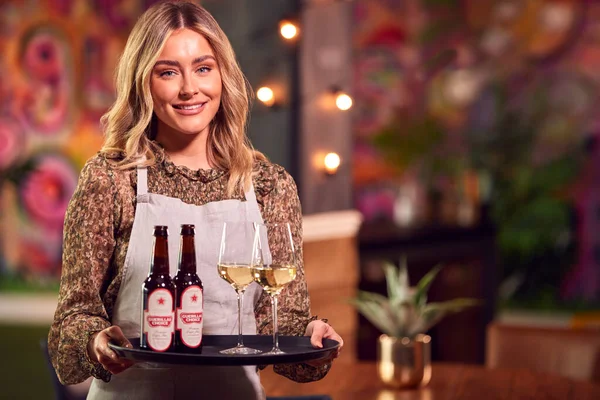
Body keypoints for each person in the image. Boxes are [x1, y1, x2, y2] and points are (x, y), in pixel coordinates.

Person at [48, 1, 343, 399]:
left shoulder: (270, 186)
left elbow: (282, 324)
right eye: (168, 72)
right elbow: (72, 319)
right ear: (144, 82)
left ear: (223, 75)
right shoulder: (110, 180)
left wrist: (311, 336)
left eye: (203, 68)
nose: (190, 88)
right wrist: (96, 341)